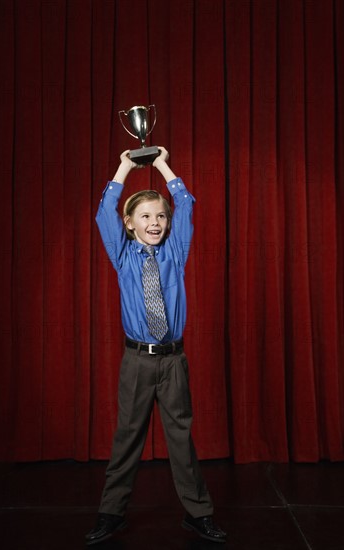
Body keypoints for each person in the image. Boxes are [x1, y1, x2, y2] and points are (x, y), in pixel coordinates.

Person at [86, 147, 226, 545]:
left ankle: (198, 514)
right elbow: (103, 213)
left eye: (160, 216)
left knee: (180, 438)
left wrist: (162, 163)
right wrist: (126, 166)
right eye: (145, 217)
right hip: (137, 361)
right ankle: (111, 513)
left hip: (173, 361)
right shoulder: (123, 254)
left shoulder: (175, 253)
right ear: (129, 225)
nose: (155, 222)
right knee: (127, 436)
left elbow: (184, 202)